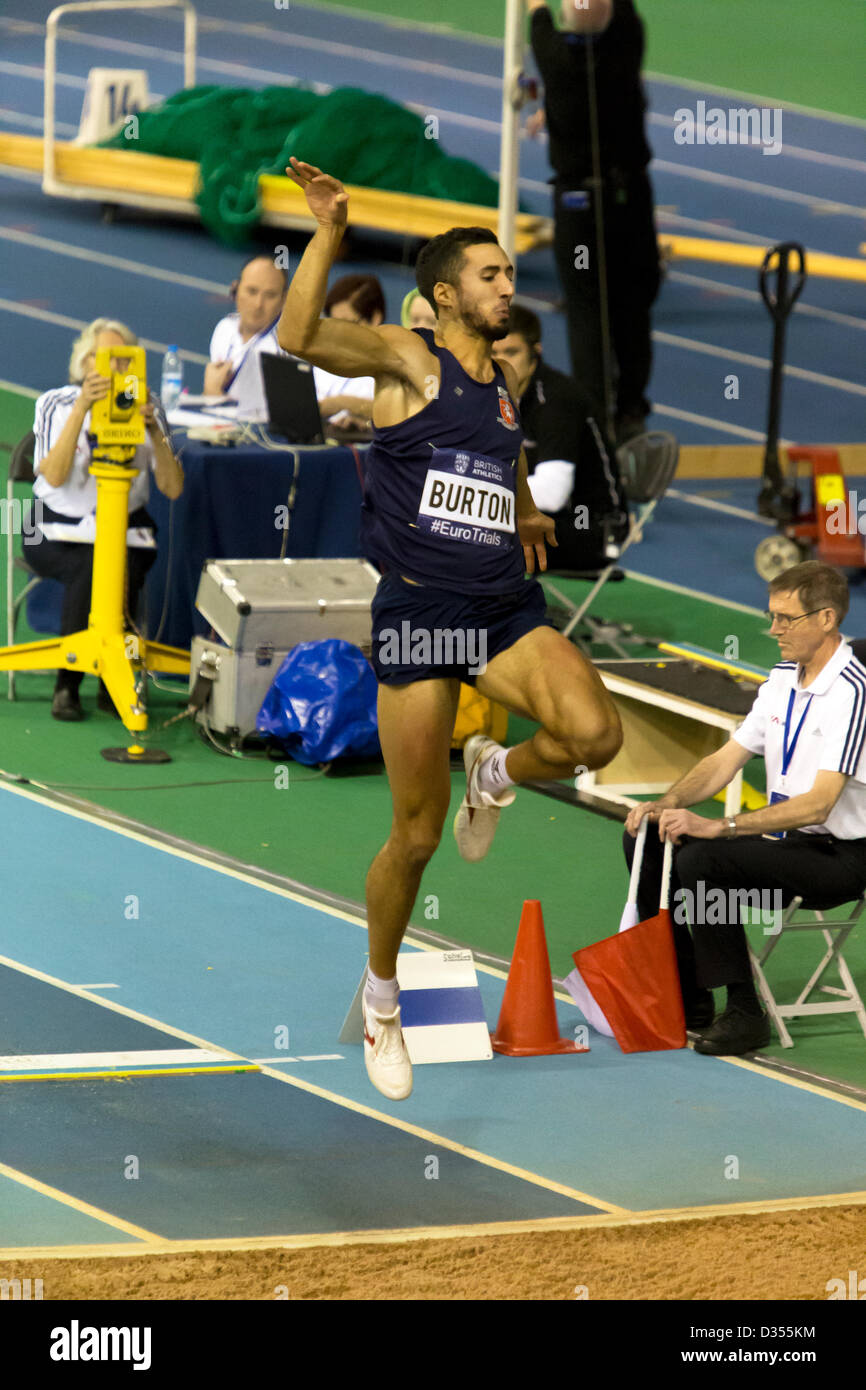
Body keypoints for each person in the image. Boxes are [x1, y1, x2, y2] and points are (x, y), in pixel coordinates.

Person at [278, 157, 623, 1101]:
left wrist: (523, 512)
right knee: (416, 836)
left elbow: (498, 459)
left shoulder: (506, 386)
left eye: (512, 273)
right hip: (423, 614)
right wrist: (331, 228)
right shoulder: (407, 360)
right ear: (446, 294)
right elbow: (297, 332)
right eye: (492, 275)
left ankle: (497, 772)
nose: (509, 286)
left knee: (597, 735)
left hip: (502, 610)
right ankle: (384, 997)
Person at [623, 562, 866, 1056]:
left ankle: (744, 1012)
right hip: (782, 844)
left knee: (703, 860)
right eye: (770, 616)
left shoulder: (853, 691)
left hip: (841, 856)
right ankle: (688, 995)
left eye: (785, 619)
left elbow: (818, 805)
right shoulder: (780, 680)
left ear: (826, 619)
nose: (773, 629)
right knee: (648, 836)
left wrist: (722, 826)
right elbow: (724, 760)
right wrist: (667, 802)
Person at [30, 318, 184, 721]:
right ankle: (69, 681)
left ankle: (116, 677)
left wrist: (154, 431)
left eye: (122, 362)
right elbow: (56, 474)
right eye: (103, 361)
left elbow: (172, 488)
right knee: (93, 565)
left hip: (125, 527)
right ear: (83, 364)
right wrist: (83, 407)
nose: (113, 372)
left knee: (119, 563)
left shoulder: (146, 406)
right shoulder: (55, 404)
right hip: (53, 526)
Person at [526, 0, 661, 444]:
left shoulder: (553, 58)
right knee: (632, 306)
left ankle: (597, 418)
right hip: (629, 200)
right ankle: (630, 409)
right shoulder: (627, 45)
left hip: (578, 204)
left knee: (587, 311)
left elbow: (537, 9)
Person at [493, 301, 627, 569]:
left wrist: (486, 492)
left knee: (481, 536)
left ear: (535, 353)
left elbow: (553, 493)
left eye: (512, 352)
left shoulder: (557, 401)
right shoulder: (499, 394)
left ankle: (497, 609)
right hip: (545, 518)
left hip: (593, 528)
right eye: (494, 352)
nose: (501, 362)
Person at [205, 253, 289, 420]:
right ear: (235, 290)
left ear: (284, 299)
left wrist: (212, 392)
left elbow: (259, 421)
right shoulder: (224, 328)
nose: (258, 304)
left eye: (270, 295)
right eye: (252, 291)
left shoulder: (280, 349)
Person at [315, 274, 385, 427]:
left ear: (374, 318)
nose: (339, 334)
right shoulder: (322, 360)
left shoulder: (393, 365)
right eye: (334, 323)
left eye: (347, 324)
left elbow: (401, 413)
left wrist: (344, 403)